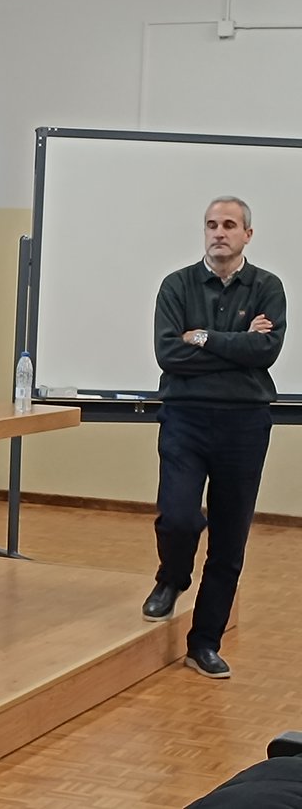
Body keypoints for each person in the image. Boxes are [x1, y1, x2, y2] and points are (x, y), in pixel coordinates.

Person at [142, 195, 286, 679]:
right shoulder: (176, 286)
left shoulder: (268, 287)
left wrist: (201, 337)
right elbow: (168, 354)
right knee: (179, 516)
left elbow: (265, 351)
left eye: (229, 225)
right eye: (211, 224)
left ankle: (204, 642)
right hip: (185, 416)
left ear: (248, 234)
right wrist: (238, 343)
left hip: (245, 424)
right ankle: (172, 576)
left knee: (229, 541)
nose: (219, 232)